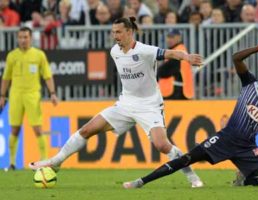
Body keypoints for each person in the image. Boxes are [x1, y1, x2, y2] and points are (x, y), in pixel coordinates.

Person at [29, 17, 204, 188]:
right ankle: (56, 161)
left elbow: (170, 53)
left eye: (119, 32)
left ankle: (192, 176)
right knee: (87, 130)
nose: (115, 35)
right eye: (113, 32)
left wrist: (186, 57)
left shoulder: (144, 50)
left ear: (130, 32)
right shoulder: (115, 51)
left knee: (162, 145)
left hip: (149, 105)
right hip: (125, 104)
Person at [123, 35, 258, 189]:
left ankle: (246, 178)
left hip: (247, 147)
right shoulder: (249, 82)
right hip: (225, 138)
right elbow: (236, 58)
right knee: (186, 159)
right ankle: (141, 181)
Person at [0, 27, 58, 170]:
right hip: (15, 95)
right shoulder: (12, 56)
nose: (23, 40)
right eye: (20, 37)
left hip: (33, 95)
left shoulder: (39, 55)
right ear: (17, 39)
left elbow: (47, 75)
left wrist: (53, 93)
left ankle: (44, 162)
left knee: (37, 129)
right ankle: (12, 163)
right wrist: (2, 95)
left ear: (31, 38)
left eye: (25, 37)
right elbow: (6, 78)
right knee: (14, 129)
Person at [158, 29, 194, 100]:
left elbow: (164, 71)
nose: (169, 39)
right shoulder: (179, 50)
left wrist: (158, 70)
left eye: (172, 37)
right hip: (179, 90)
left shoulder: (178, 52)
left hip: (176, 91)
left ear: (179, 38)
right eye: (168, 37)